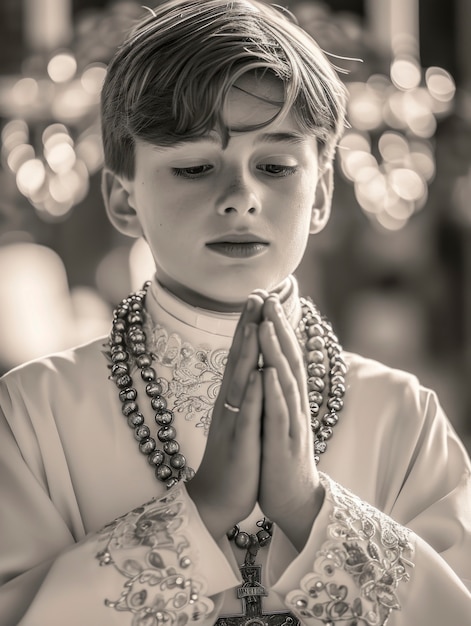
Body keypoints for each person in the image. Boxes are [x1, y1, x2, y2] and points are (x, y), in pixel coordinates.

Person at [1, 1, 470, 624]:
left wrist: (309, 509)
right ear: (123, 198)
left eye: (275, 166)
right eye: (194, 167)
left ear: (322, 192)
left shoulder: (404, 418)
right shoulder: (34, 413)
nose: (241, 197)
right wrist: (199, 512)